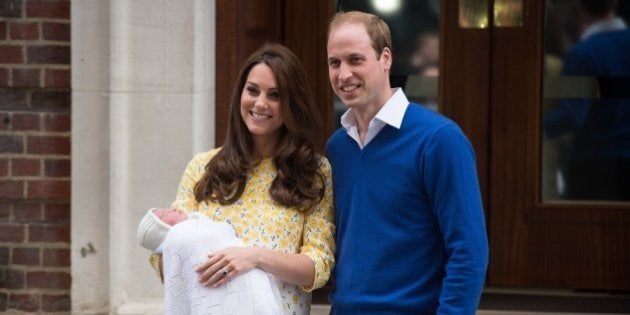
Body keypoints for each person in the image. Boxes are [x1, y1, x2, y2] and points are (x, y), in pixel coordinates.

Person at [147, 42, 335, 314]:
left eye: (274, 95)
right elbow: (165, 259)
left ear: (292, 103)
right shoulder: (202, 167)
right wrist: (174, 245)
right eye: (253, 90)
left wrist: (254, 257)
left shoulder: (313, 172)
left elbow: (319, 266)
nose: (260, 103)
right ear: (240, 95)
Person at [325, 11, 489, 314]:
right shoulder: (337, 148)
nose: (343, 74)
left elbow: (469, 253)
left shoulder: (440, 140)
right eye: (335, 63)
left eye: (355, 59)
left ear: (385, 58)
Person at [543, 0, 630, 200]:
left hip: (596, 167)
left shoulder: (583, 55)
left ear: (580, 8)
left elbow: (572, 115)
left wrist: (528, 129)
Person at [136, 207, 282, 314]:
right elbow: (168, 264)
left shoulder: (202, 223)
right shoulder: (181, 235)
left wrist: (256, 256)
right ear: (163, 230)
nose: (173, 208)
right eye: (165, 214)